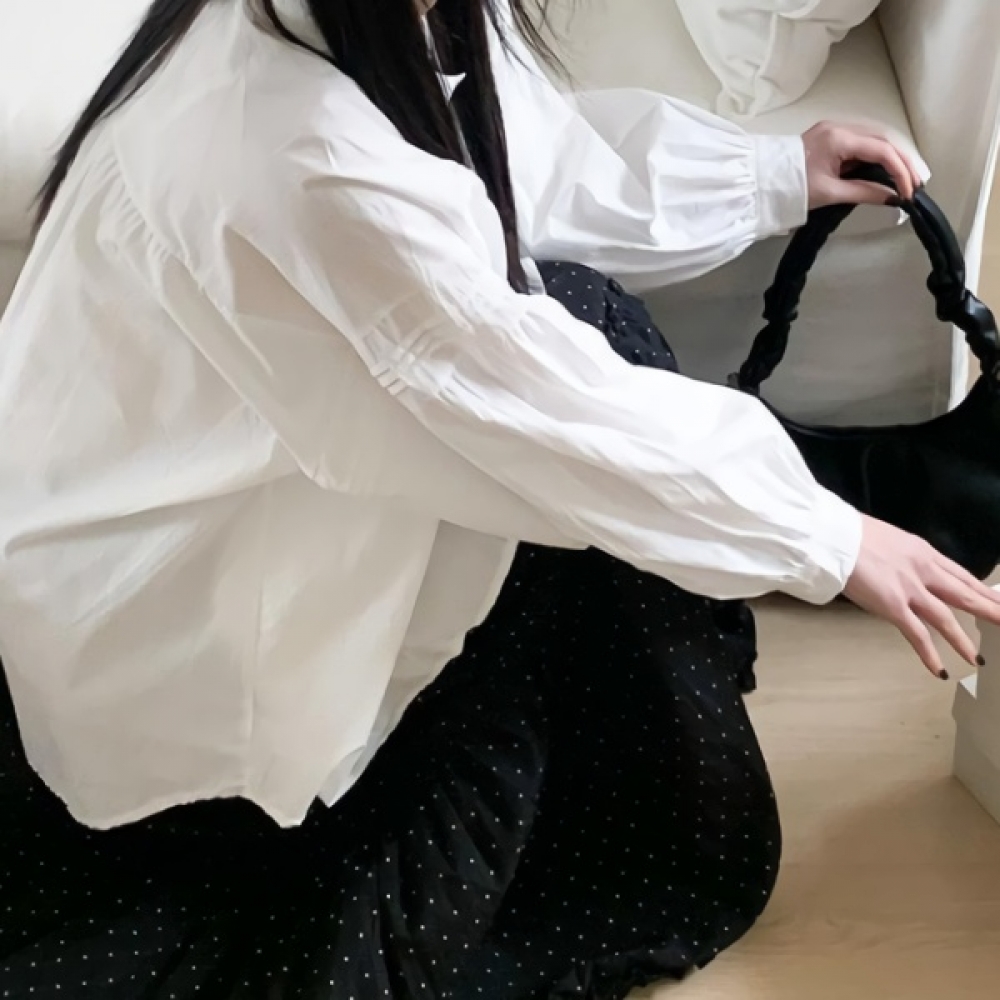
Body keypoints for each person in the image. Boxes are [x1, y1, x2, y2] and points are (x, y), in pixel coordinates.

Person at [0, 1, 996, 997]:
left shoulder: (319, 30)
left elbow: (514, 159)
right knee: (583, 451)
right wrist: (829, 535)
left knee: (584, 334)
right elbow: (526, 395)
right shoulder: (298, 153)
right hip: (173, 608)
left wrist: (767, 173)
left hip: (154, 497)